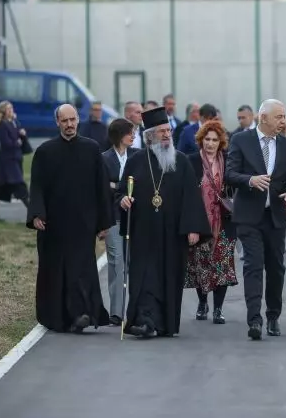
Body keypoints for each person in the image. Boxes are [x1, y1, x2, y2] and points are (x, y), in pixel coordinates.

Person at [117, 106, 211, 338]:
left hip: (172, 234)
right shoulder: (136, 161)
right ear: (150, 136)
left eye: (169, 130)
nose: (168, 135)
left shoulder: (181, 161)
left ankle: (163, 323)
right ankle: (144, 320)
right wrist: (123, 200)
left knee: (168, 277)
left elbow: (191, 197)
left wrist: (193, 228)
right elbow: (121, 192)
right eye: (162, 131)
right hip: (144, 232)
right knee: (144, 277)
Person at [26, 104, 113, 333]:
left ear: (78, 120)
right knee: (56, 271)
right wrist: (37, 214)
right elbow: (37, 186)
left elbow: (102, 187)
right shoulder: (45, 152)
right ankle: (59, 317)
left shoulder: (91, 149)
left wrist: (104, 222)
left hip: (83, 223)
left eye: (72, 119)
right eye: (64, 121)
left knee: (81, 270)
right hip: (53, 225)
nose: (69, 125)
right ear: (57, 122)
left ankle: (80, 314)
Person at [226, 99, 286, 340]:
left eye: (284, 116)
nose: (283, 121)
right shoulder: (241, 140)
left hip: (275, 217)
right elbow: (230, 173)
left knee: (276, 268)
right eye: (279, 116)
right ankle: (254, 320)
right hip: (249, 216)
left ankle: (273, 316)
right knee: (253, 266)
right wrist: (250, 180)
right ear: (264, 117)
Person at [185, 120, 238, 324]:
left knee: (222, 266)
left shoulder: (228, 161)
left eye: (215, 140)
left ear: (220, 142)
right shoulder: (191, 161)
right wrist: (191, 226)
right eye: (207, 139)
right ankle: (202, 303)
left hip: (224, 221)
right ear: (201, 140)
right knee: (201, 264)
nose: (210, 143)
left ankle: (218, 309)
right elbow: (187, 196)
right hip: (200, 221)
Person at [102, 118, 137, 326]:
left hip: (134, 216)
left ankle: (134, 308)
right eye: (129, 132)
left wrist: (115, 185)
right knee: (117, 262)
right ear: (119, 135)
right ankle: (116, 311)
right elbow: (101, 187)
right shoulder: (104, 158)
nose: (133, 136)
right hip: (113, 216)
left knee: (133, 262)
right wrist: (117, 188)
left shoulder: (136, 155)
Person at [0, 101, 30, 221]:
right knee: (19, 184)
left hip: (16, 159)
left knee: (2, 187)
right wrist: (17, 142)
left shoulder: (13, 122)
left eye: (11, 108)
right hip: (7, 161)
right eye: (8, 109)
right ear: (4, 112)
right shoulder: (2, 125)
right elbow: (5, 142)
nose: (11, 111)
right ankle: (33, 212)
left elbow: (18, 135)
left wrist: (22, 134)